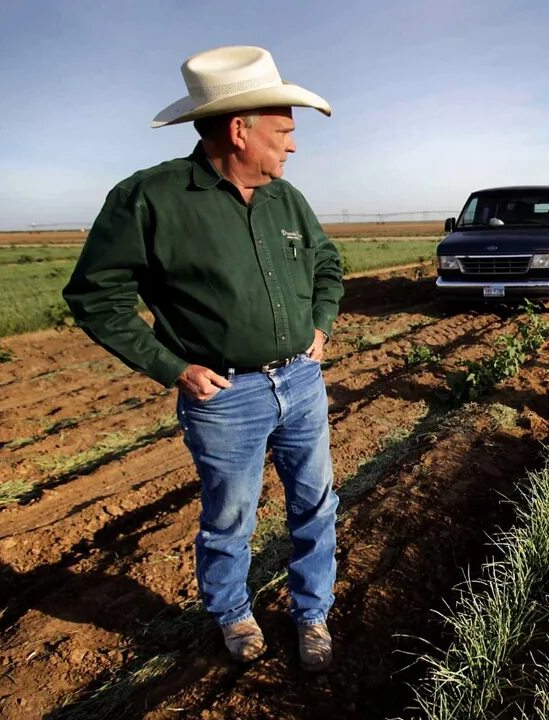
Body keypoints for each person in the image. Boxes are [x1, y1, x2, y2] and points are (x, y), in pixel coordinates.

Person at [63, 46, 343, 671]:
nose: (293, 146)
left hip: (300, 380)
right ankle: (232, 612)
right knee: (230, 516)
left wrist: (320, 323)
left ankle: (313, 613)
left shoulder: (287, 199)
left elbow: (326, 263)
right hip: (225, 397)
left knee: (316, 503)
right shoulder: (150, 199)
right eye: (285, 132)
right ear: (240, 130)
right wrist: (174, 368)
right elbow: (95, 297)